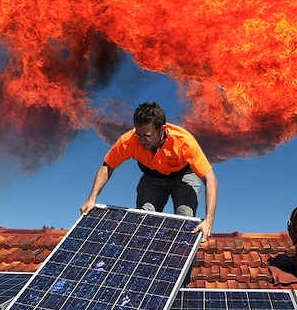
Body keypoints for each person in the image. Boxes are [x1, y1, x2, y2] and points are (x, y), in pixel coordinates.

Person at [80, 102, 218, 238]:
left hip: (183, 176)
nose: (141, 140)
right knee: (144, 220)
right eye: (138, 134)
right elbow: (107, 165)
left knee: (184, 220)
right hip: (153, 178)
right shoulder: (129, 140)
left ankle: (182, 256)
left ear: (162, 130)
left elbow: (210, 178)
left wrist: (208, 220)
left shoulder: (184, 142)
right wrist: (92, 198)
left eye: (147, 136)